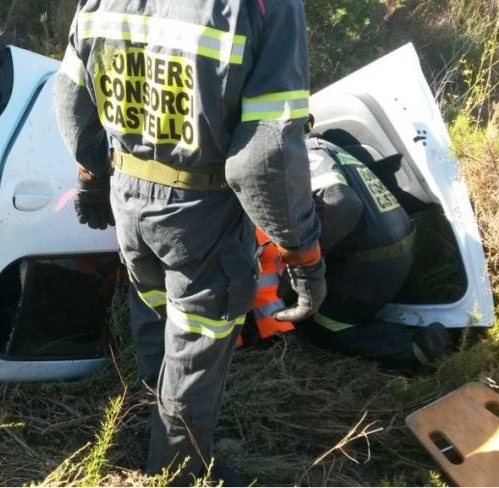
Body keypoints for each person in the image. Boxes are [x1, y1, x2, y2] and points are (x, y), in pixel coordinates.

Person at [53, 0, 324, 482]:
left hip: (128, 197)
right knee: (195, 350)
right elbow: (266, 152)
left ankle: (145, 428)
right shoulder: (266, 6)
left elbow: (73, 98)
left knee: (154, 313)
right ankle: (174, 474)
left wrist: (93, 173)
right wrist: (302, 253)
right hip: (200, 214)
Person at [279, 136, 452, 372]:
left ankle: (420, 348)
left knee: (324, 326)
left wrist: (304, 262)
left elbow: (340, 202)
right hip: (393, 247)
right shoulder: (330, 148)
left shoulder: (304, 153)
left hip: (372, 261)